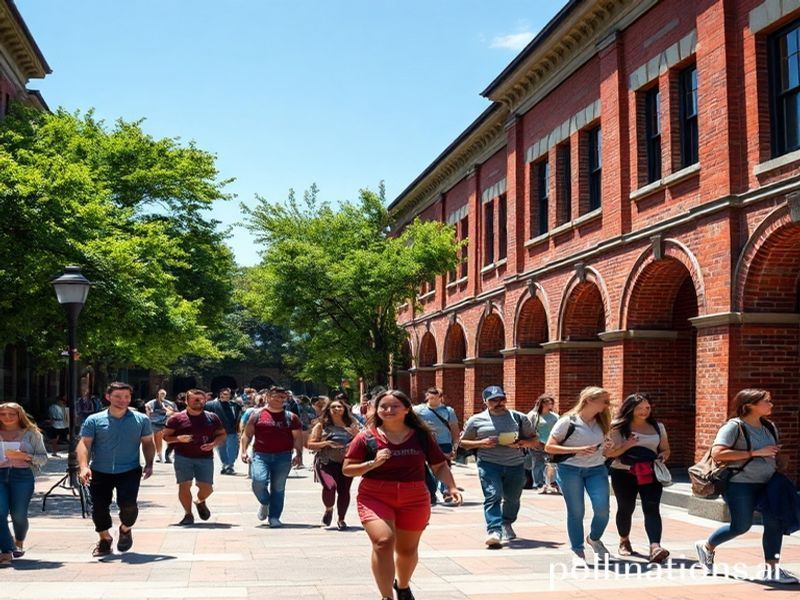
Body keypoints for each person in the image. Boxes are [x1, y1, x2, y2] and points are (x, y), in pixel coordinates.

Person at [343, 389, 462, 600]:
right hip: (375, 495)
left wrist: (451, 487)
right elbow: (348, 469)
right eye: (383, 406)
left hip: (414, 496)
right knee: (383, 541)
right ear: (376, 410)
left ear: (407, 409)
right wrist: (372, 463)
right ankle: (386, 596)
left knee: (407, 551)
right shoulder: (366, 438)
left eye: (395, 406)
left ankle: (403, 585)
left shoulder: (421, 436)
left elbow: (439, 465)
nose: (389, 410)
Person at [694, 389, 798, 584]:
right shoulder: (734, 427)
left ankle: (772, 569)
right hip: (740, 484)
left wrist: (779, 458)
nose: (771, 404)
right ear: (750, 405)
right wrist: (755, 453)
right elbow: (718, 454)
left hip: (769, 483)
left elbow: (769, 453)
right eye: (766, 401)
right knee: (741, 526)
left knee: (775, 521)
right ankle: (707, 547)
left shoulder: (769, 426)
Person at [77, 382, 155, 557]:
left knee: (129, 507)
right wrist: (83, 467)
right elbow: (84, 444)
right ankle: (105, 539)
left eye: (126, 396)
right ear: (108, 397)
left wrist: (150, 463)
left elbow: (148, 442)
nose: (123, 400)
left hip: (129, 470)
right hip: (99, 471)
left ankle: (125, 529)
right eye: (118, 396)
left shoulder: (141, 419)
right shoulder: (94, 420)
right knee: (98, 508)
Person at [459, 385, 537, 548]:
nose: (499, 402)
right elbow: (463, 443)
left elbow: (535, 440)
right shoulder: (476, 420)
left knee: (513, 498)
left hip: (515, 464)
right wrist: (481, 443)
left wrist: (522, 443)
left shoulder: (519, 417)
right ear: (485, 402)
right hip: (489, 464)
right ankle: (494, 530)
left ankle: (506, 522)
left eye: (501, 399)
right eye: (493, 400)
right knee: (493, 495)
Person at [545, 386, 613, 567]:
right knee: (576, 511)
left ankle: (594, 538)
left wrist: (607, 447)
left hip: (597, 469)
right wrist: (577, 450)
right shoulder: (568, 421)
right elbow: (549, 447)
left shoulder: (603, 422)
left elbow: (607, 452)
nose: (608, 404)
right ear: (589, 400)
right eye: (604, 401)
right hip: (570, 470)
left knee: (603, 510)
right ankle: (577, 549)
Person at [604, 393, 670, 563]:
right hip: (624, 473)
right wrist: (628, 444)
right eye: (639, 408)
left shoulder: (657, 427)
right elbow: (609, 453)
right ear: (630, 408)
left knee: (652, 507)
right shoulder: (617, 427)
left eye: (647, 408)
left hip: (650, 471)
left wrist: (662, 456)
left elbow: (665, 449)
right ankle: (624, 540)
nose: (644, 411)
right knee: (626, 508)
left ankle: (655, 547)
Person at [240, 386, 303, 527]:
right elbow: (247, 434)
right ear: (267, 397)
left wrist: (299, 454)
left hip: (283, 456)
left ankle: (274, 517)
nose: (280, 399)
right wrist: (243, 451)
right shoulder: (257, 415)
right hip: (261, 455)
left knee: (278, 487)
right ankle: (265, 502)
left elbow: (298, 437)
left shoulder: (291, 417)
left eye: (282, 397)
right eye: (276, 396)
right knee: (258, 480)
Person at [162, 389, 226, 525]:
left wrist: (213, 444)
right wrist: (178, 439)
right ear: (186, 401)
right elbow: (166, 437)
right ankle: (188, 514)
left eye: (201, 399)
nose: (199, 402)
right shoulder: (176, 418)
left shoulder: (212, 417)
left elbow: (222, 434)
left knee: (207, 488)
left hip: (205, 457)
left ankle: (200, 501)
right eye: (195, 399)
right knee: (184, 485)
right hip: (183, 456)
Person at [0, 402, 48, 566]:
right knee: (0, 512)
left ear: (19, 415)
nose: (7, 417)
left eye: (11, 414)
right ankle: (7, 550)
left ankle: (18, 541)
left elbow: (43, 458)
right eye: (3, 414)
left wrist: (26, 457)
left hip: (22, 476)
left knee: (19, 515)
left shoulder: (32, 433)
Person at [307, 396, 360, 530]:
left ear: (344, 409)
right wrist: (326, 443)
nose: (337, 409)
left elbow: (362, 441)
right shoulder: (322, 426)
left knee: (344, 491)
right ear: (328, 410)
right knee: (330, 487)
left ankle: (341, 519)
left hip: (346, 463)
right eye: (333, 407)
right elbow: (310, 444)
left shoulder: (351, 424)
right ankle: (329, 509)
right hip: (326, 461)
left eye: (339, 407)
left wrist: (356, 435)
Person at [413, 387, 460, 505]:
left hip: (444, 443)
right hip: (425, 443)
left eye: (435, 396)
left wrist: (455, 446)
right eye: (430, 396)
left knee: (444, 466)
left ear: (440, 397)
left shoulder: (448, 411)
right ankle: (431, 491)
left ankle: (446, 491)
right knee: (429, 469)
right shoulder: (418, 410)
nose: (431, 398)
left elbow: (454, 430)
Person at [526, 393, 560, 494]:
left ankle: (551, 483)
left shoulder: (555, 417)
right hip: (536, 444)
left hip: (550, 444)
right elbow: (528, 429)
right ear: (542, 403)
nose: (550, 404)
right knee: (538, 464)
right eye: (548, 402)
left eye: (551, 403)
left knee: (552, 465)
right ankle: (539, 484)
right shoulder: (533, 415)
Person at [205, 388, 242, 475]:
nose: (224, 396)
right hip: (218, 431)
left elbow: (239, 417)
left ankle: (229, 465)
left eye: (226, 394)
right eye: (222, 394)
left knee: (232, 449)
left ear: (230, 395)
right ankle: (226, 465)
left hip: (232, 431)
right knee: (221, 449)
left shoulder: (235, 406)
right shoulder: (210, 405)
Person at [145, 389, 177, 463]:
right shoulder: (152, 403)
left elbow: (174, 411)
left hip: (165, 423)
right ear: (158, 394)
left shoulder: (169, 403)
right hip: (154, 423)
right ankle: (158, 455)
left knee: (165, 439)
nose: (162, 395)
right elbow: (148, 410)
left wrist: (168, 411)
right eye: (161, 394)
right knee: (155, 439)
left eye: (163, 394)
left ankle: (165, 455)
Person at [164, 392, 188, 464]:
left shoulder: (174, 404)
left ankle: (168, 456)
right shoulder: (186, 405)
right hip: (182, 424)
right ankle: (176, 455)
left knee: (172, 442)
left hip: (174, 424)